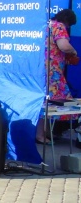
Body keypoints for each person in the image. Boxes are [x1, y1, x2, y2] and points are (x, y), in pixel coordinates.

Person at [36, 9, 78, 144]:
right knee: (53, 103)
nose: (68, 27)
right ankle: (41, 135)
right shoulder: (59, 26)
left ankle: (44, 132)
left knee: (43, 102)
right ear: (66, 20)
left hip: (39, 68)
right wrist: (73, 51)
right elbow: (64, 46)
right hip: (51, 71)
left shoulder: (45, 24)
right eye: (69, 24)